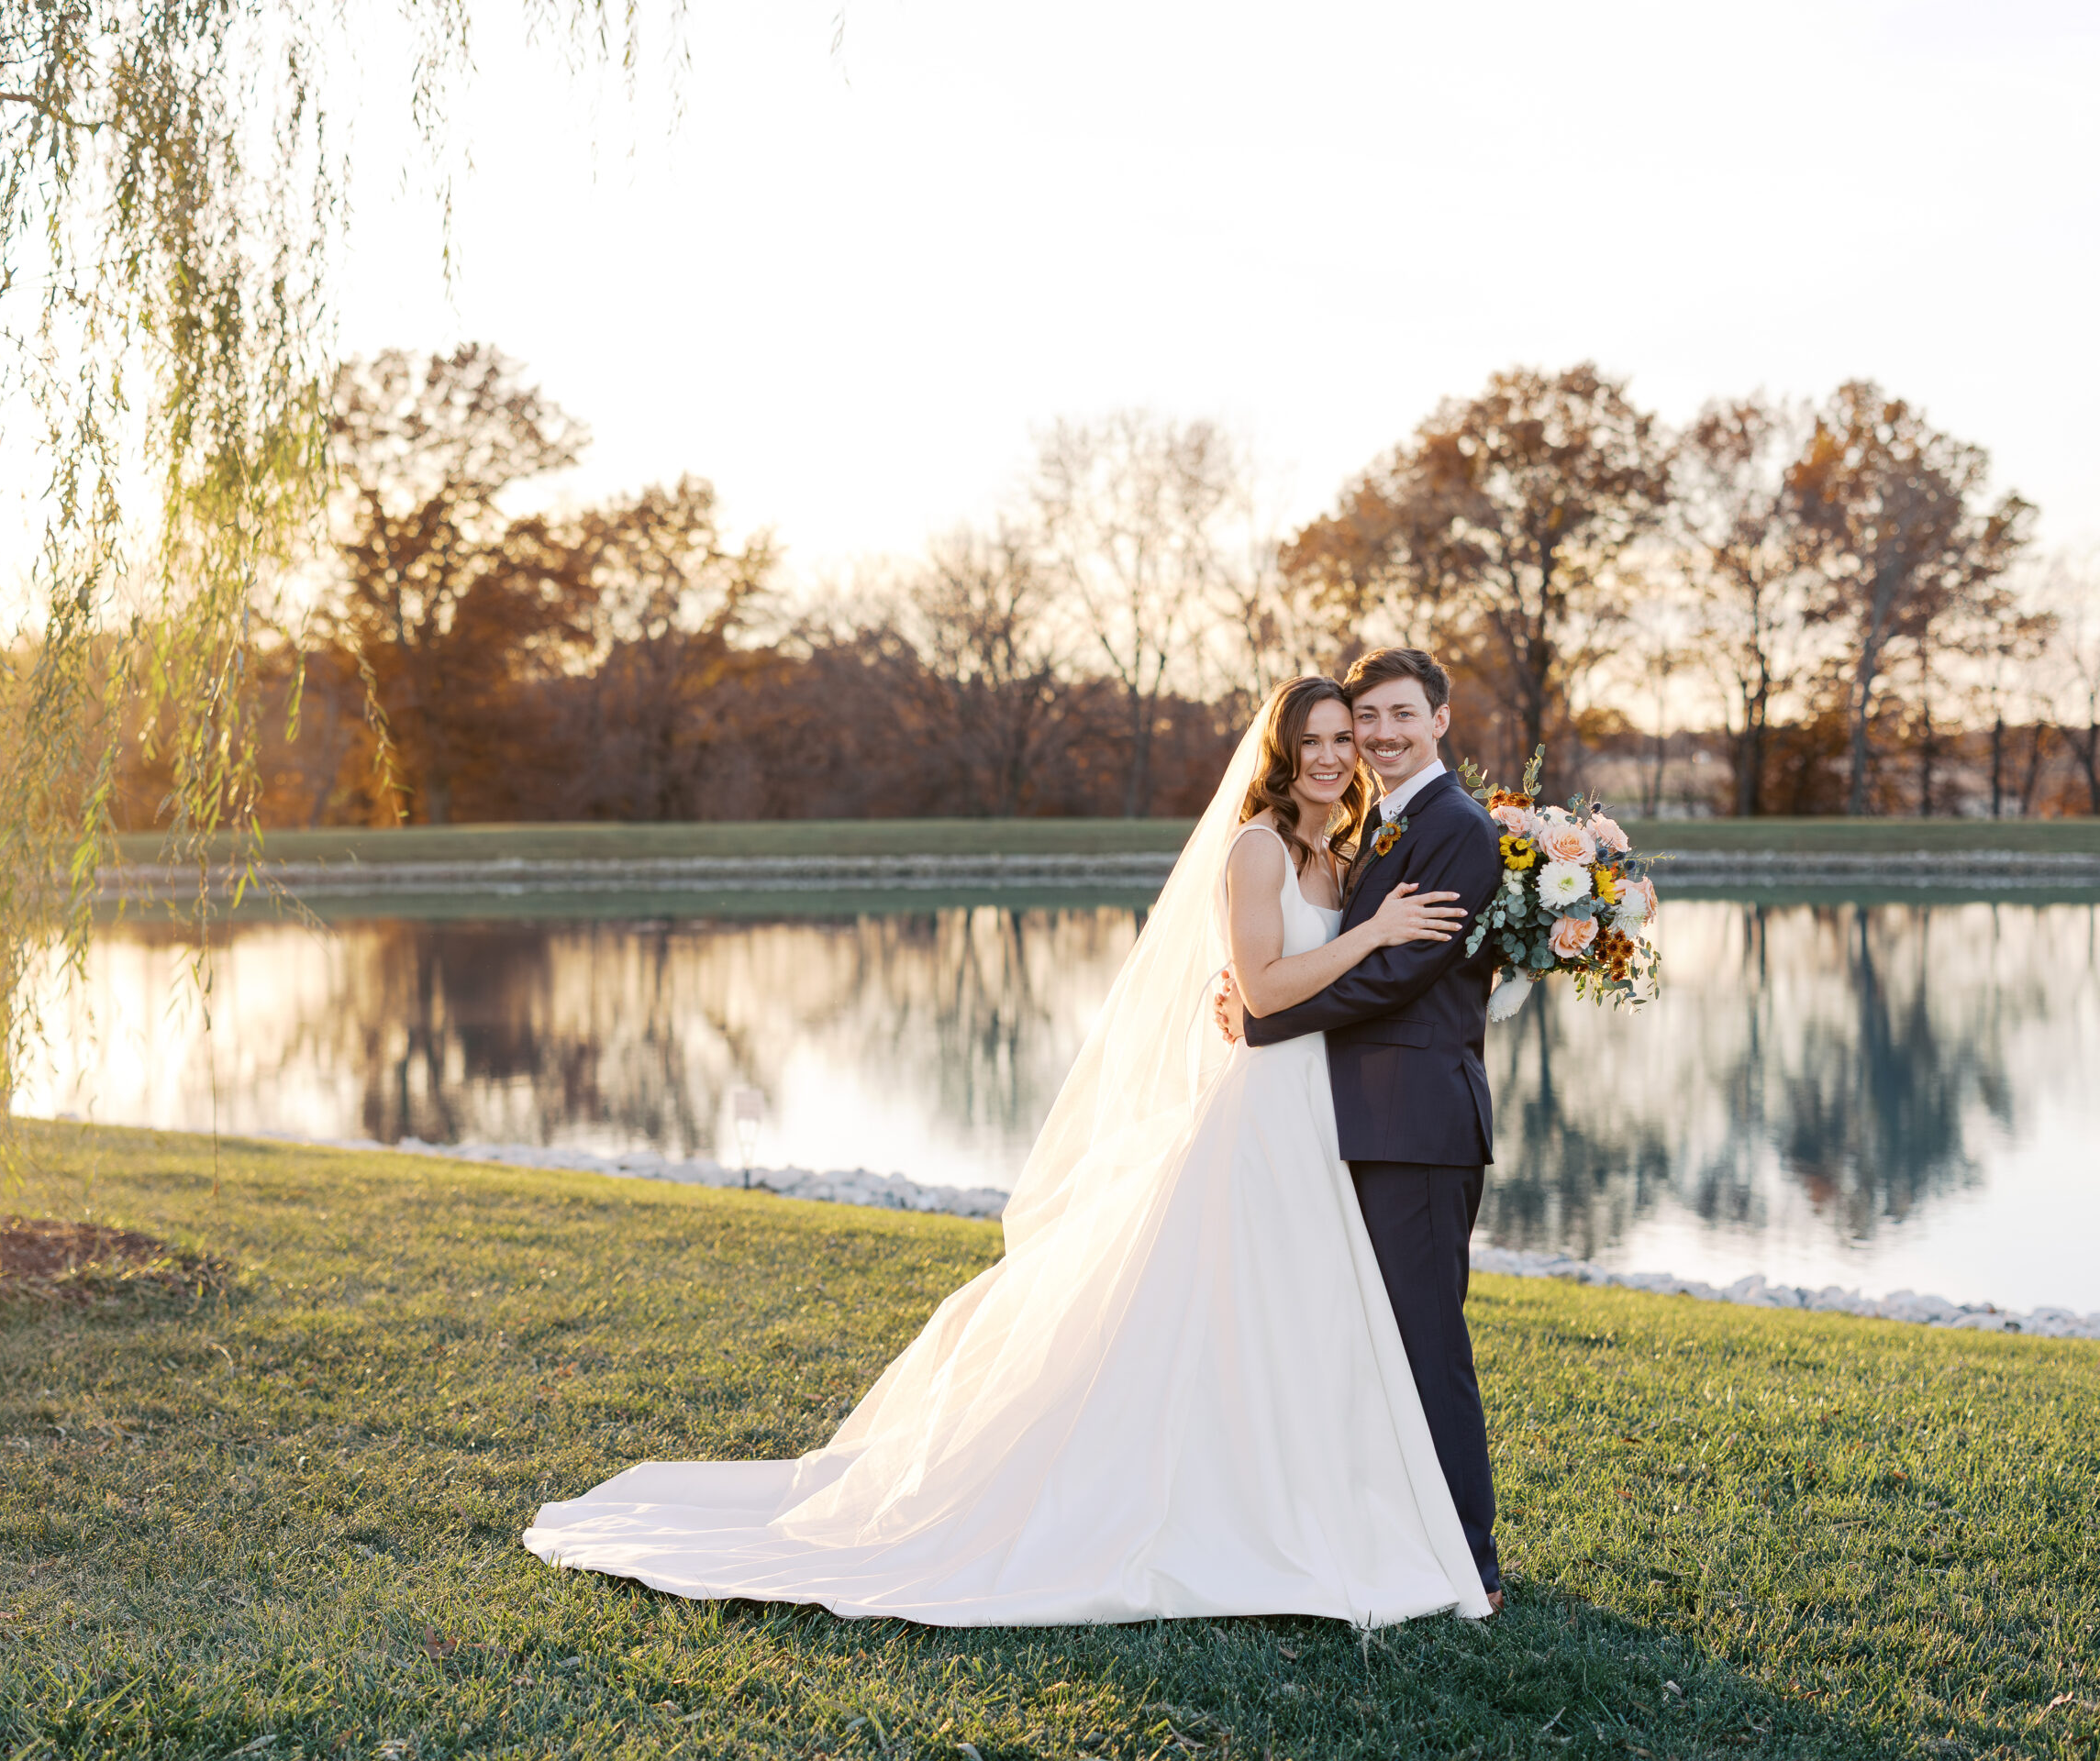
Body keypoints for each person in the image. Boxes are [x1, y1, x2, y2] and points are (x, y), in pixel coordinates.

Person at [523, 674, 1490, 1627]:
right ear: (1281, 753)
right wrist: (1372, 938)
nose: (1333, 755)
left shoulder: (1343, 851)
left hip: (1316, 1115)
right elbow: (1269, 993)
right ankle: (1197, 1512)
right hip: (1263, 1113)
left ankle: (1312, 1505)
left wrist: (1370, 935)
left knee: (1303, 1322)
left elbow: (1326, 987)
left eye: (1344, 737)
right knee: (1219, 1319)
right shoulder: (1255, 850)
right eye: (1315, 739)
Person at [1214, 647, 1504, 1609]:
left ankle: (1469, 1560)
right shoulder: (1365, 831)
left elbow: (1393, 977)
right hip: (1346, 1119)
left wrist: (1257, 1016)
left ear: (1439, 719)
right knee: (1357, 1337)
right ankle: (1371, 1524)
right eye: (1349, 726)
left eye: (1388, 719)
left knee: (1426, 1343)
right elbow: (1343, 959)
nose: (1370, 738)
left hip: (1413, 1122)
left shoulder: (1455, 828)